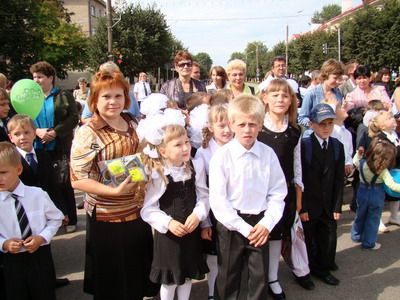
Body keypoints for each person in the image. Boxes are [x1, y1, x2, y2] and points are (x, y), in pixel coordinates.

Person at [70, 70, 159, 300]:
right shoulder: (89, 133)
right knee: (112, 280)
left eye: (118, 96)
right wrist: (112, 190)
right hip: (107, 216)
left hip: (137, 212)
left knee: (136, 274)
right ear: (95, 101)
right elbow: (77, 178)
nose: (113, 102)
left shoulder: (132, 122)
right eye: (106, 96)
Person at [209, 95, 287, 300]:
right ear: (231, 124)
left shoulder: (268, 154)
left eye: (252, 124)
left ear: (261, 124)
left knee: (259, 279)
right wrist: (243, 227)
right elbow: (218, 200)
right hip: (231, 225)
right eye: (241, 124)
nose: (247, 130)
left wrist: (267, 223)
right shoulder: (221, 157)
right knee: (227, 277)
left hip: (260, 223)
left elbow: (278, 193)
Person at [139, 119, 209, 300]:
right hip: (169, 235)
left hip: (190, 230)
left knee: (186, 275)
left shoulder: (195, 166)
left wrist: (198, 214)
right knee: (169, 280)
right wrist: (167, 222)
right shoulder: (158, 173)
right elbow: (148, 208)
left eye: (186, 142)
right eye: (178, 145)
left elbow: (204, 195)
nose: (185, 148)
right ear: (163, 151)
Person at [259, 79, 314, 297]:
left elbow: (297, 165)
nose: (280, 99)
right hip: (259, 193)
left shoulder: (294, 131)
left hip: (284, 194)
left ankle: (273, 278)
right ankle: (256, 277)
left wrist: (298, 197)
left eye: (285, 95)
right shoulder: (257, 127)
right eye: (275, 95)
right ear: (265, 98)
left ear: (291, 100)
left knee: (277, 236)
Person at [7, 113, 71, 287]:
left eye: (27, 132)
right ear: (10, 138)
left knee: (45, 244)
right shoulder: (12, 160)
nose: (23, 137)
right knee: (26, 246)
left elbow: (52, 185)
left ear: (35, 133)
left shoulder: (43, 156)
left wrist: (62, 209)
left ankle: (48, 279)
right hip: (23, 212)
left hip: (44, 208)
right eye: (17, 134)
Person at [0, 141, 64, 300]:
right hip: (9, 260)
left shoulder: (37, 195)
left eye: (3, 172)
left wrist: (42, 237)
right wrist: (4, 243)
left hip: (39, 256)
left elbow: (56, 218)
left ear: (19, 169)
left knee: (44, 293)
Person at [30, 61, 79, 233]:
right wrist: (37, 131)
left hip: (59, 145)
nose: (36, 80)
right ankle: (51, 219)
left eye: (40, 77)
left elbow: (73, 118)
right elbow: (24, 118)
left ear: (50, 78)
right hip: (37, 146)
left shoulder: (63, 95)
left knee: (63, 183)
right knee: (43, 184)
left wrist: (55, 132)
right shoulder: (30, 97)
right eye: (34, 77)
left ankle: (70, 218)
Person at [300, 104, 345, 286]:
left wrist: (337, 205)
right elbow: (299, 179)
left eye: (330, 123)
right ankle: (309, 268)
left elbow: (339, 179)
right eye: (321, 124)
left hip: (328, 203)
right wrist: (301, 207)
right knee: (309, 239)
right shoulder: (305, 146)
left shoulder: (337, 146)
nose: (326, 128)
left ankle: (324, 266)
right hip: (310, 204)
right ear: (311, 124)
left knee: (329, 235)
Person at [194, 104, 233, 300]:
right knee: (214, 254)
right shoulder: (204, 152)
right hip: (214, 211)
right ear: (210, 127)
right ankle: (212, 292)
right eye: (221, 126)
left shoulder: (240, 146)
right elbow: (201, 188)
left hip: (237, 207)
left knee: (234, 253)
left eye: (230, 124)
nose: (227, 130)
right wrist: (205, 222)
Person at [351, 138, 400, 250]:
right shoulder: (383, 171)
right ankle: (369, 243)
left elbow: (355, 161)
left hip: (362, 191)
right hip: (376, 194)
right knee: (373, 219)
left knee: (360, 214)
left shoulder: (362, 164)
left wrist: (358, 154)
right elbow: (392, 185)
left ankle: (356, 236)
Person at [368, 111, 400, 227]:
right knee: (381, 197)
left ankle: (394, 216)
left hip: (396, 169)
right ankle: (379, 220)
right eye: (389, 118)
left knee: (395, 196)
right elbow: (389, 154)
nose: (393, 119)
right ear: (382, 126)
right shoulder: (381, 138)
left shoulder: (395, 134)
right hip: (384, 170)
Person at [298, 59, 345, 134]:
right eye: (335, 78)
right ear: (326, 75)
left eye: (339, 78)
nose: (337, 81)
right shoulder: (311, 94)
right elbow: (302, 118)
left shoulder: (338, 93)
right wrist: (314, 124)